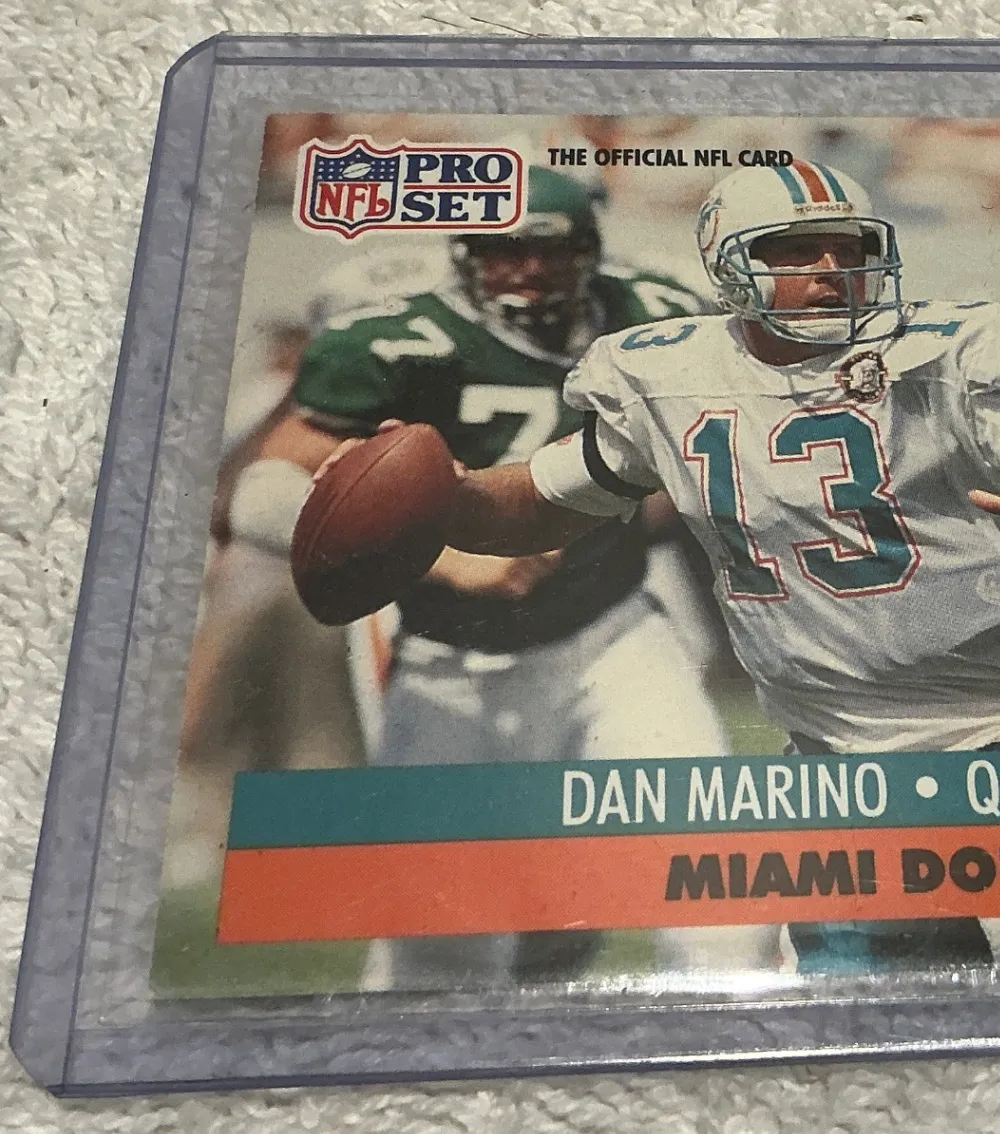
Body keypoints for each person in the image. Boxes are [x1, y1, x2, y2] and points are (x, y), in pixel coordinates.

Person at [328, 162, 1000, 973]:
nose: (832, 270)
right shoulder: (671, 375)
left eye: (849, 248)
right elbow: (538, 500)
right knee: (864, 1048)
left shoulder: (950, 355)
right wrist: (443, 493)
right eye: (797, 250)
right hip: (835, 763)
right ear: (728, 267)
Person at [226, 167, 777, 988]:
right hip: (449, 662)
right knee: (440, 939)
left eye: (549, 252)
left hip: (610, 633)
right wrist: (445, 558)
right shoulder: (399, 339)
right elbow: (257, 494)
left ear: (590, 251)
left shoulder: (654, 311)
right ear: (464, 256)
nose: (528, 271)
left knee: (720, 887)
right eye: (503, 252)